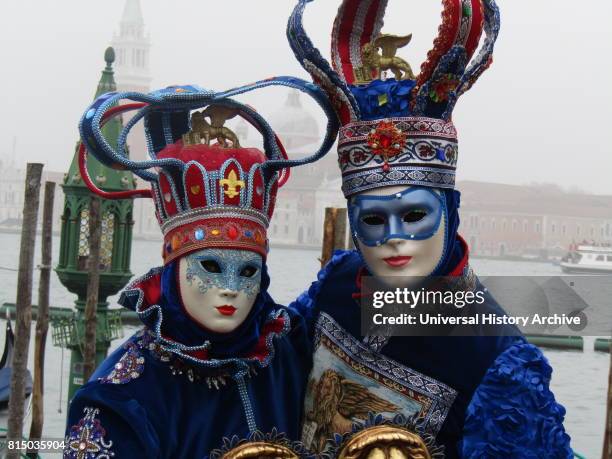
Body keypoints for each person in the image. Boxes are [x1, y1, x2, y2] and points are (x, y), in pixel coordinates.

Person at [287, 0, 574, 457]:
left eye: (415, 216)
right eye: (374, 220)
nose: (393, 238)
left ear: (450, 210)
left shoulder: (491, 352)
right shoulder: (338, 286)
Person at [63, 79, 338, 458]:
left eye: (247, 272)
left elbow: (405, 308)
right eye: (210, 266)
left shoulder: (286, 348)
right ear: (173, 266)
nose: (230, 289)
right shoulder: (121, 397)